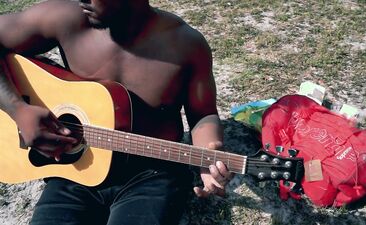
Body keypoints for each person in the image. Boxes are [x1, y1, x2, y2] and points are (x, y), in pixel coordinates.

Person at [0, 0, 233, 224]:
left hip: (151, 173)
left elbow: (203, 114)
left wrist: (208, 156)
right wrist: (19, 110)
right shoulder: (65, 19)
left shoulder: (185, 44)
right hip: (76, 168)